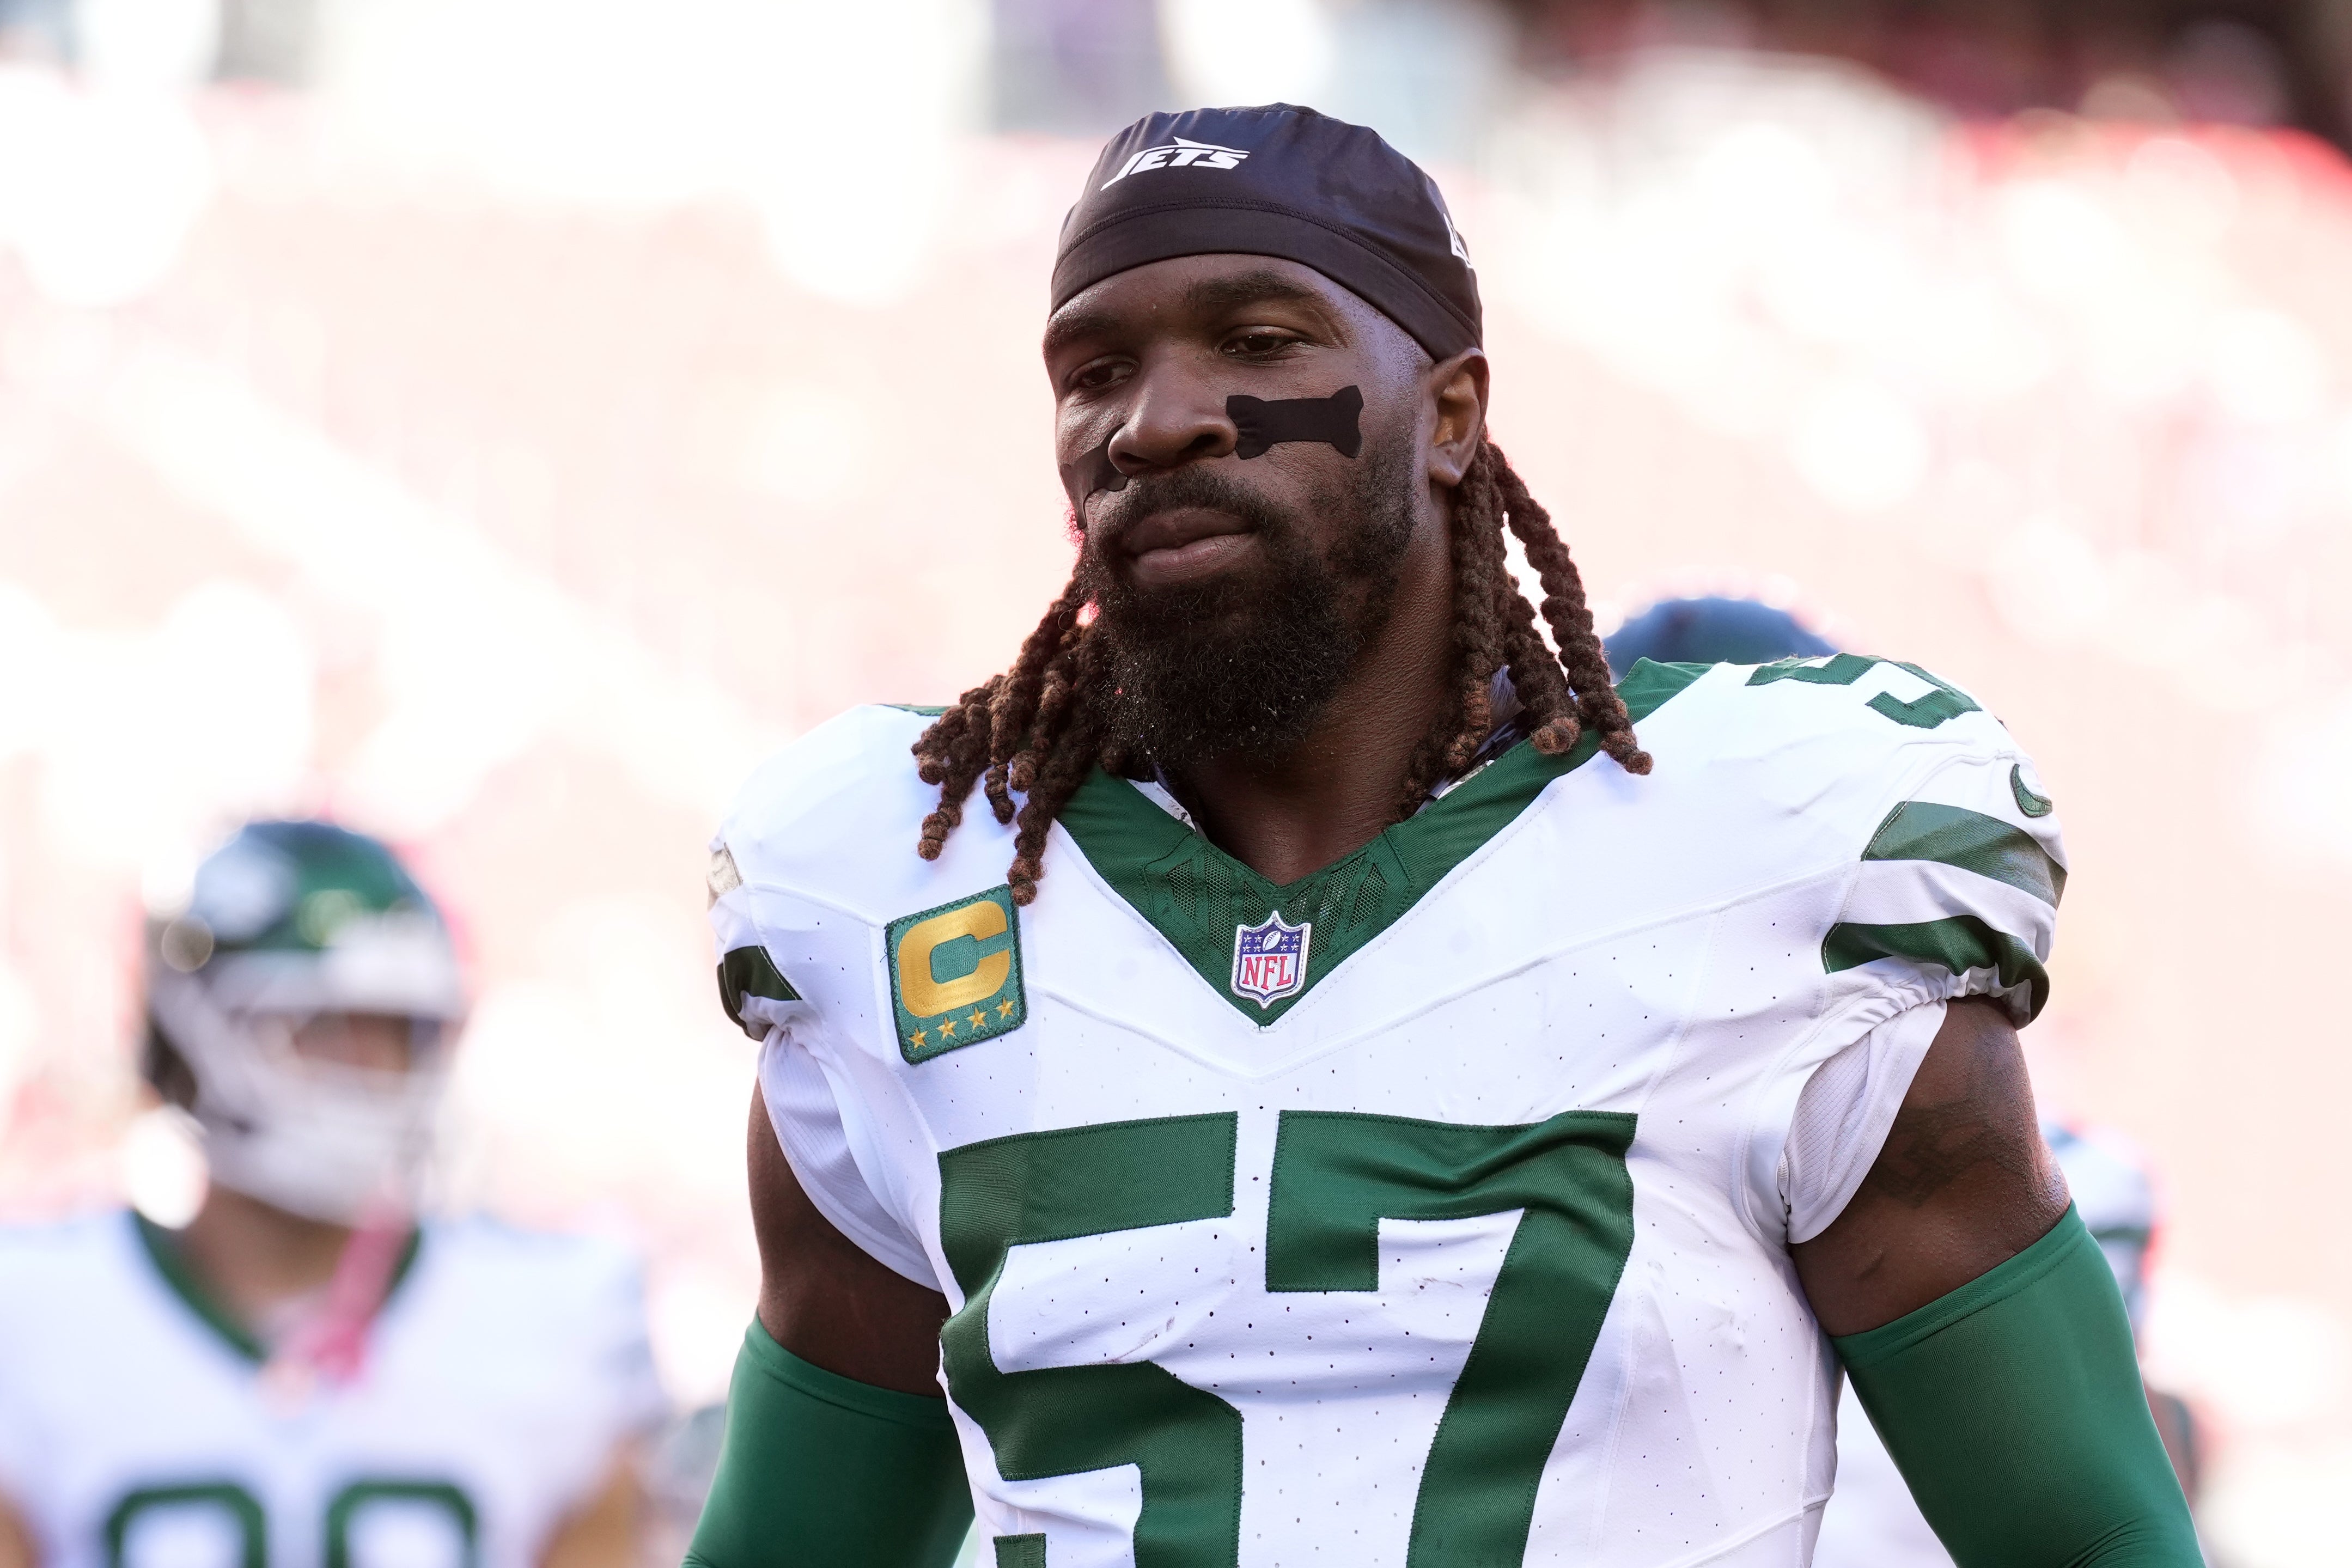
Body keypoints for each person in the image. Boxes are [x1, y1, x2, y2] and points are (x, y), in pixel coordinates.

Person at [688, 104, 2199, 1567]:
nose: (1151, 420)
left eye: (1259, 342)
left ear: (1451, 416)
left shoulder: (1751, 853)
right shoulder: (900, 884)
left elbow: (2088, 1538)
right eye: (1091, 370)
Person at [0, 822, 662, 1568]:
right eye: (317, 1026)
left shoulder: (558, 1310)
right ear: (182, 1034)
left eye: (395, 1030)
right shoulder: (29, 1310)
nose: (368, 1066)